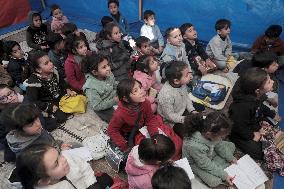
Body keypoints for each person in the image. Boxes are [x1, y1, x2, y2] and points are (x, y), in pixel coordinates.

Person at [107, 78, 182, 160]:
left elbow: (150, 119)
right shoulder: (120, 114)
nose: (141, 91)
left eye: (140, 87)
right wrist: (124, 146)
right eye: (135, 91)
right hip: (132, 133)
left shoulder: (145, 102)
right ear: (125, 98)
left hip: (145, 127)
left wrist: (155, 135)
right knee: (149, 153)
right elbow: (112, 130)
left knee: (170, 141)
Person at [229, 67, 281, 160]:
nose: (272, 82)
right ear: (257, 90)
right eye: (269, 82)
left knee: (271, 128)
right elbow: (238, 127)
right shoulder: (241, 107)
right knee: (260, 153)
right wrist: (253, 135)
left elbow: (260, 107)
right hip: (240, 130)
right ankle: (238, 140)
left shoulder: (257, 96)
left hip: (252, 120)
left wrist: (271, 114)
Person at [16, 144, 114, 189]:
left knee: (107, 179)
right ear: (45, 181)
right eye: (56, 164)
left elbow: (84, 167)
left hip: (85, 184)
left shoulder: (66, 156)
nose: (63, 159)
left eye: (59, 154)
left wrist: (91, 183)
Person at [182, 112, 236, 189]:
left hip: (207, 153)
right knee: (214, 181)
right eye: (221, 136)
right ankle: (219, 168)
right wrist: (224, 175)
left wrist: (230, 158)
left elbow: (219, 144)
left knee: (231, 146)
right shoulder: (193, 145)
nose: (222, 138)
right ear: (208, 134)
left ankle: (219, 166)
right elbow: (204, 164)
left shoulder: (209, 129)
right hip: (196, 163)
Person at [25, 50, 76, 125]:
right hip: (48, 103)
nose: (51, 64)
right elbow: (34, 101)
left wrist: (68, 89)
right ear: (38, 69)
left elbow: (61, 81)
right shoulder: (33, 83)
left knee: (76, 101)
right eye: (46, 63)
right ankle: (48, 116)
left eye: (50, 61)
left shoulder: (54, 71)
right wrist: (49, 107)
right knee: (61, 118)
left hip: (60, 96)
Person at [1, 103, 69, 157]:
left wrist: (59, 144)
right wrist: (59, 153)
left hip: (55, 150)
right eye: (31, 124)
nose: (38, 124)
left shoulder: (35, 130)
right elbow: (45, 167)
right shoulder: (28, 152)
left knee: (75, 145)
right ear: (17, 130)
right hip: (53, 163)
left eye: (37, 118)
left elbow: (49, 140)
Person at [157, 61, 196, 137]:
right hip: (171, 121)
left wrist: (192, 110)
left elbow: (186, 97)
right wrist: (186, 119)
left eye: (189, 73)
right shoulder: (166, 95)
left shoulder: (182, 84)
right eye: (187, 75)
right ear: (176, 81)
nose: (191, 76)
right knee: (187, 134)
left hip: (182, 110)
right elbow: (170, 116)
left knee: (199, 112)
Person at [82, 53, 118, 123]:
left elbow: (114, 84)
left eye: (108, 65)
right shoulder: (90, 87)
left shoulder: (108, 74)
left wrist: (122, 87)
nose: (108, 68)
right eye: (104, 67)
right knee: (118, 119)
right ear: (95, 72)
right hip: (104, 107)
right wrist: (114, 100)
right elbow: (97, 106)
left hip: (115, 98)